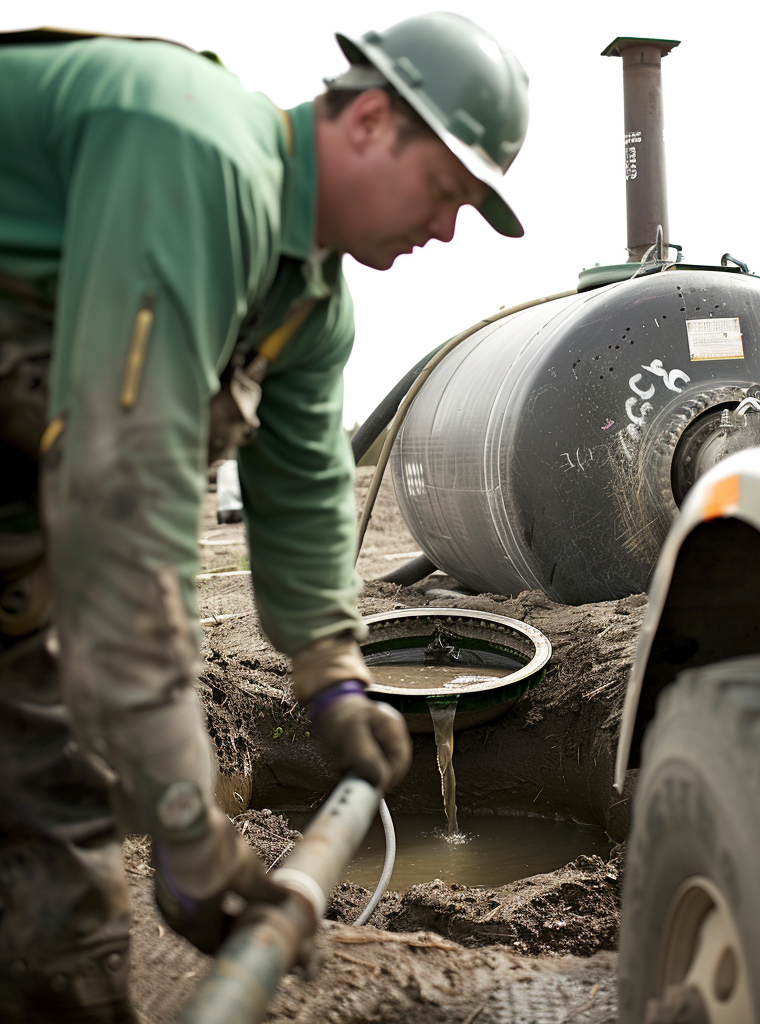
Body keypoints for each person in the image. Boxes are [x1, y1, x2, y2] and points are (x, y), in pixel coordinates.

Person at [0, 13, 529, 1022]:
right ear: (372, 120)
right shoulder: (193, 157)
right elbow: (125, 501)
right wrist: (188, 823)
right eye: (447, 192)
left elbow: (305, 485)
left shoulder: (311, 298)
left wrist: (333, 675)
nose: (448, 229)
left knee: (52, 839)